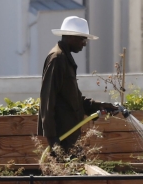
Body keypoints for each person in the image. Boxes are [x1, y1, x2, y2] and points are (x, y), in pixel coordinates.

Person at [39, 16, 117, 152]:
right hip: (62, 137)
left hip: (69, 134)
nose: (85, 44)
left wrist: (99, 106)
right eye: (83, 39)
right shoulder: (57, 59)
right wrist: (53, 140)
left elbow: (71, 98)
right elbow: (47, 99)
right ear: (71, 37)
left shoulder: (64, 58)